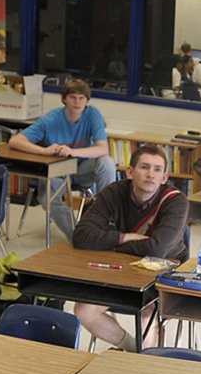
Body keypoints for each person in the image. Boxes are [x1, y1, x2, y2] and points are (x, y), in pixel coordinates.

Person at [71, 144, 188, 351]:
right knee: (83, 311)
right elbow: (81, 236)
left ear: (164, 177)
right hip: (124, 272)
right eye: (144, 167)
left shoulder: (176, 201)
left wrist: (114, 246)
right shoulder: (114, 193)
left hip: (164, 278)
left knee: (145, 316)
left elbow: (157, 249)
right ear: (130, 172)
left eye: (157, 169)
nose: (151, 174)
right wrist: (125, 237)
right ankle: (132, 350)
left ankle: (146, 366)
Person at [7, 78, 116, 242]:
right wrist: (44, 151)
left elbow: (103, 149)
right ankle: (78, 236)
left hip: (82, 170)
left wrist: (73, 152)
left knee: (106, 162)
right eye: (73, 97)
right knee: (45, 198)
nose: (77, 102)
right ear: (65, 99)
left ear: (87, 101)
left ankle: (107, 219)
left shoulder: (92, 114)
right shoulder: (51, 119)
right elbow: (14, 141)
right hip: (57, 172)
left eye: (82, 98)